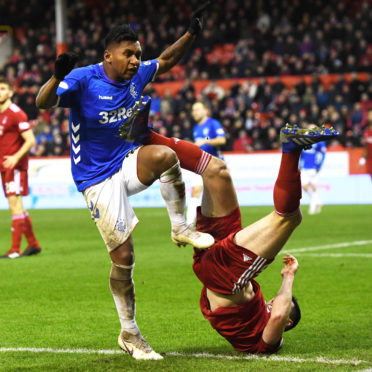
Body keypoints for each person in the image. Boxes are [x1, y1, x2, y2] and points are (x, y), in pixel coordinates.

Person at [36, 1, 214, 361]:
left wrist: (191, 34)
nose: (135, 60)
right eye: (128, 54)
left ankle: (180, 227)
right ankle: (130, 333)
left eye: (138, 54)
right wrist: (56, 76)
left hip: (124, 162)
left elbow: (164, 61)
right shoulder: (85, 79)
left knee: (166, 156)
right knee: (124, 257)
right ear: (108, 56)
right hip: (95, 178)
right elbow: (43, 102)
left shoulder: (138, 74)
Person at [189, 123, 338, 353]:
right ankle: (147, 137)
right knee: (216, 171)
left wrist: (288, 277)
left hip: (223, 277)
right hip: (214, 269)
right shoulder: (258, 313)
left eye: (280, 302)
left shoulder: (269, 342)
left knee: (289, 218)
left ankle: (291, 150)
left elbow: (279, 313)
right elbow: (275, 307)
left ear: (289, 322)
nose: (272, 302)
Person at [0, 77, 41, 259]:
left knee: (14, 205)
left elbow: (30, 140)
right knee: (17, 207)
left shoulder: (16, 113)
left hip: (15, 166)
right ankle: (33, 244)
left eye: (2, 89)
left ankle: (15, 249)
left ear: (10, 92)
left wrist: (15, 157)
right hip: (5, 166)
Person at [186, 100, 226, 225]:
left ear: (205, 110)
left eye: (197, 109)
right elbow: (200, 144)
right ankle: (188, 224)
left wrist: (206, 141)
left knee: (216, 197)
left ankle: (220, 223)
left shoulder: (213, 123)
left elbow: (222, 140)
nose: (194, 112)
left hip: (215, 165)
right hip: (201, 164)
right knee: (195, 191)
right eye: (193, 110)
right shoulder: (196, 128)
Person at [299, 124, 327, 214]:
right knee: (304, 186)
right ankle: (318, 201)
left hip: (314, 167)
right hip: (305, 167)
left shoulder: (319, 141)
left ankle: (313, 208)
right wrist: (299, 164)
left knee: (313, 186)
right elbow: (302, 155)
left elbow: (323, 154)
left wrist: (319, 165)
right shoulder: (305, 141)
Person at [359, 108, 372, 180]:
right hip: (370, 163)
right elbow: (366, 148)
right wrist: (362, 159)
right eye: (369, 115)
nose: (370, 116)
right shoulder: (366, 132)